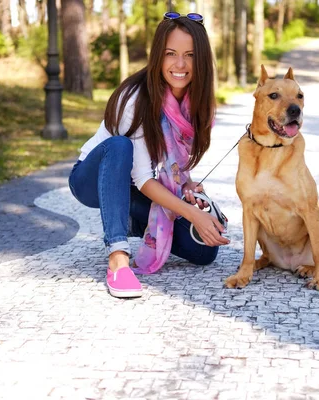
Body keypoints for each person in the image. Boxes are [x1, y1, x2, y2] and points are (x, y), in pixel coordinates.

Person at [68, 12, 230, 299]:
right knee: (120, 146)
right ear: (158, 56)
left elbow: (171, 165)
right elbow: (144, 178)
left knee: (204, 250)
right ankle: (117, 258)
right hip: (92, 179)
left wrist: (186, 188)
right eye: (170, 54)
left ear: (202, 60)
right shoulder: (135, 97)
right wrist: (190, 212)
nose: (180, 65)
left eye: (190, 55)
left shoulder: (194, 104)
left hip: (131, 187)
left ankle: (132, 221)